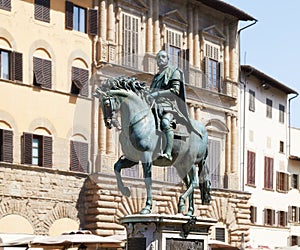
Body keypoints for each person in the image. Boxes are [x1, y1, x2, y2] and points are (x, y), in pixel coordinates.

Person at [150, 50, 189, 163]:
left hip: (168, 106)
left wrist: (157, 93)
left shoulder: (174, 72)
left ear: (168, 59)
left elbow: (175, 91)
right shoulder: (156, 77)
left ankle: (168, 152)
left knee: (165, 123)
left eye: (162, 57)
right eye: (158, 58)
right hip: (154, 106)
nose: (160, 59)